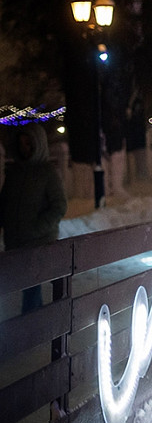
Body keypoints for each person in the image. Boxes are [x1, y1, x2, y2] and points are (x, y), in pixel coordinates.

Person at [0, 123, 68, 313]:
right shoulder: (14, 172)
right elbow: (5, 202)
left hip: (38, 242)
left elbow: (59, 206)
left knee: (31, 288)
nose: (25, 148)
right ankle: (36, 325)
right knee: (25, 288)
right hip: (15, 241)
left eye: (29, 143)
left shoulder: (47, 172)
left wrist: (37, 228)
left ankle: (30, 330)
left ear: (38, 143)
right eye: (21, 144)